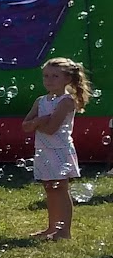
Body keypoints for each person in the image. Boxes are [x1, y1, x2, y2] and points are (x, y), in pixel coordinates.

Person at [24, 57, 89, 240]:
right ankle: (52, 228)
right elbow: (25, 125)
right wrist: (39, 121)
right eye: (46, 76)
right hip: (43, 149)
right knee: (49, 189)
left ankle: (64, 230)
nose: (49, 80)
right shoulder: (40, 101)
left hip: (59, 150)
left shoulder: (66, 101)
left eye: (55, 76)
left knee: (60, 189)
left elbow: (52, 128)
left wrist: (37, 124)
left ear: (67, 79)